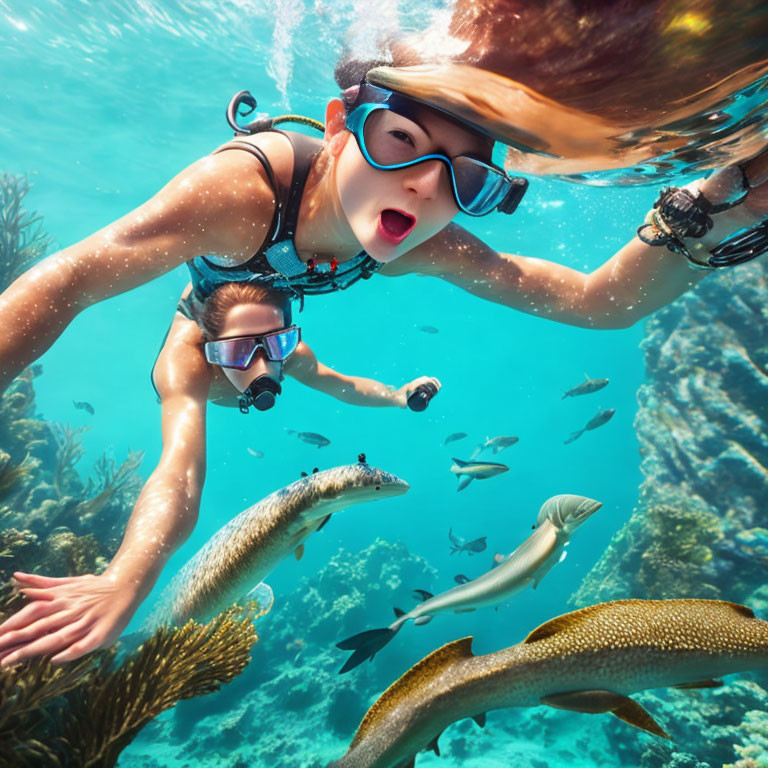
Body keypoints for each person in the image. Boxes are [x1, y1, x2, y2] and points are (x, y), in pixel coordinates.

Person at [0, 60, 767, 666]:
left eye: (464, 178)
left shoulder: (410, 248)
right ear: (339, 126)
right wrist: (127, 579)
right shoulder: (239, 195)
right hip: (241, 273)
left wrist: (703, 212)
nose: (426, 188)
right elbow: (65, 287)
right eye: (399, 141)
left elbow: (597, 303)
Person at [0, 281, 439, 667]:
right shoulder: (183, 368)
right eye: (237, 351)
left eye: (276, 346)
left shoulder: (286, 351)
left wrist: (397, 397)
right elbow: (180, 473)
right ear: (211, 345)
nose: (262, 367)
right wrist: (123, 579)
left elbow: (339, 382)